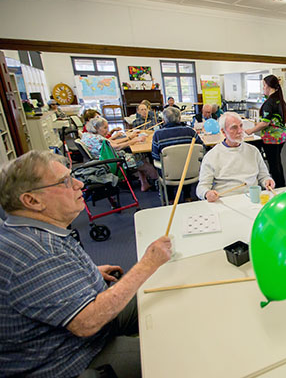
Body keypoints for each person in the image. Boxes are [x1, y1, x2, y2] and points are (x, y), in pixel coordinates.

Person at [0, 150, 172, 378]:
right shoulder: (35, 253)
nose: (80, 184)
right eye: (65, 182)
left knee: (165, 294)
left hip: (82, 329)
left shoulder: (26, 232)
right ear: (32, 200)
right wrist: (147, 264)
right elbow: (88, 322)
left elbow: (48, 286)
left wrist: (87, 273)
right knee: (170, 356)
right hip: (71, 357)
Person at [196, 112, 275, 202]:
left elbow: (263, 176)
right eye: (234, 127)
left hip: (252, 199)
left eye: (241, 126)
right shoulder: (212, 156)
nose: (240, 131)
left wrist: (267, 181)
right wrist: (207, 193)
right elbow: (201, 187)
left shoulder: (253, 151)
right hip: (226, 201)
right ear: (223, 132)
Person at [82, 116, 157, 192]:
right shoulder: (97, 138)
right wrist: (135, 140)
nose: (107, 131)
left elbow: (111, 142)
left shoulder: (88, 136)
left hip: (102, 160)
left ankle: (144, 183)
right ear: (95, 128)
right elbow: (117, 147)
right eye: (104, 128)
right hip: (111, 162)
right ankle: (159, 183)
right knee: (141, 159)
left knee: (139, 156)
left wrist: (130, 137)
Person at [244, 74, 286, 187]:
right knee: (277, 161)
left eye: (263, 85)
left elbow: (265, 123)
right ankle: (281, 183)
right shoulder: (280, 100)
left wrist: (250, 130)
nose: (263, 88)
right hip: (281, 136)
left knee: (273, 163)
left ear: (268, 86)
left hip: (272, 138)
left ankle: (278, 186)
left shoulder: (269, 102)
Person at [152, 107, 201, 201]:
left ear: (164, 120)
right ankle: (187, 196)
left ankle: (170, 199)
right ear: (179, 118)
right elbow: (201, 148)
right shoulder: (190, 131)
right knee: (186, 161)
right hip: (191, 172)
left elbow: (155, 156)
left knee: (167, 165)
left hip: (169, 175)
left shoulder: (158, 134)